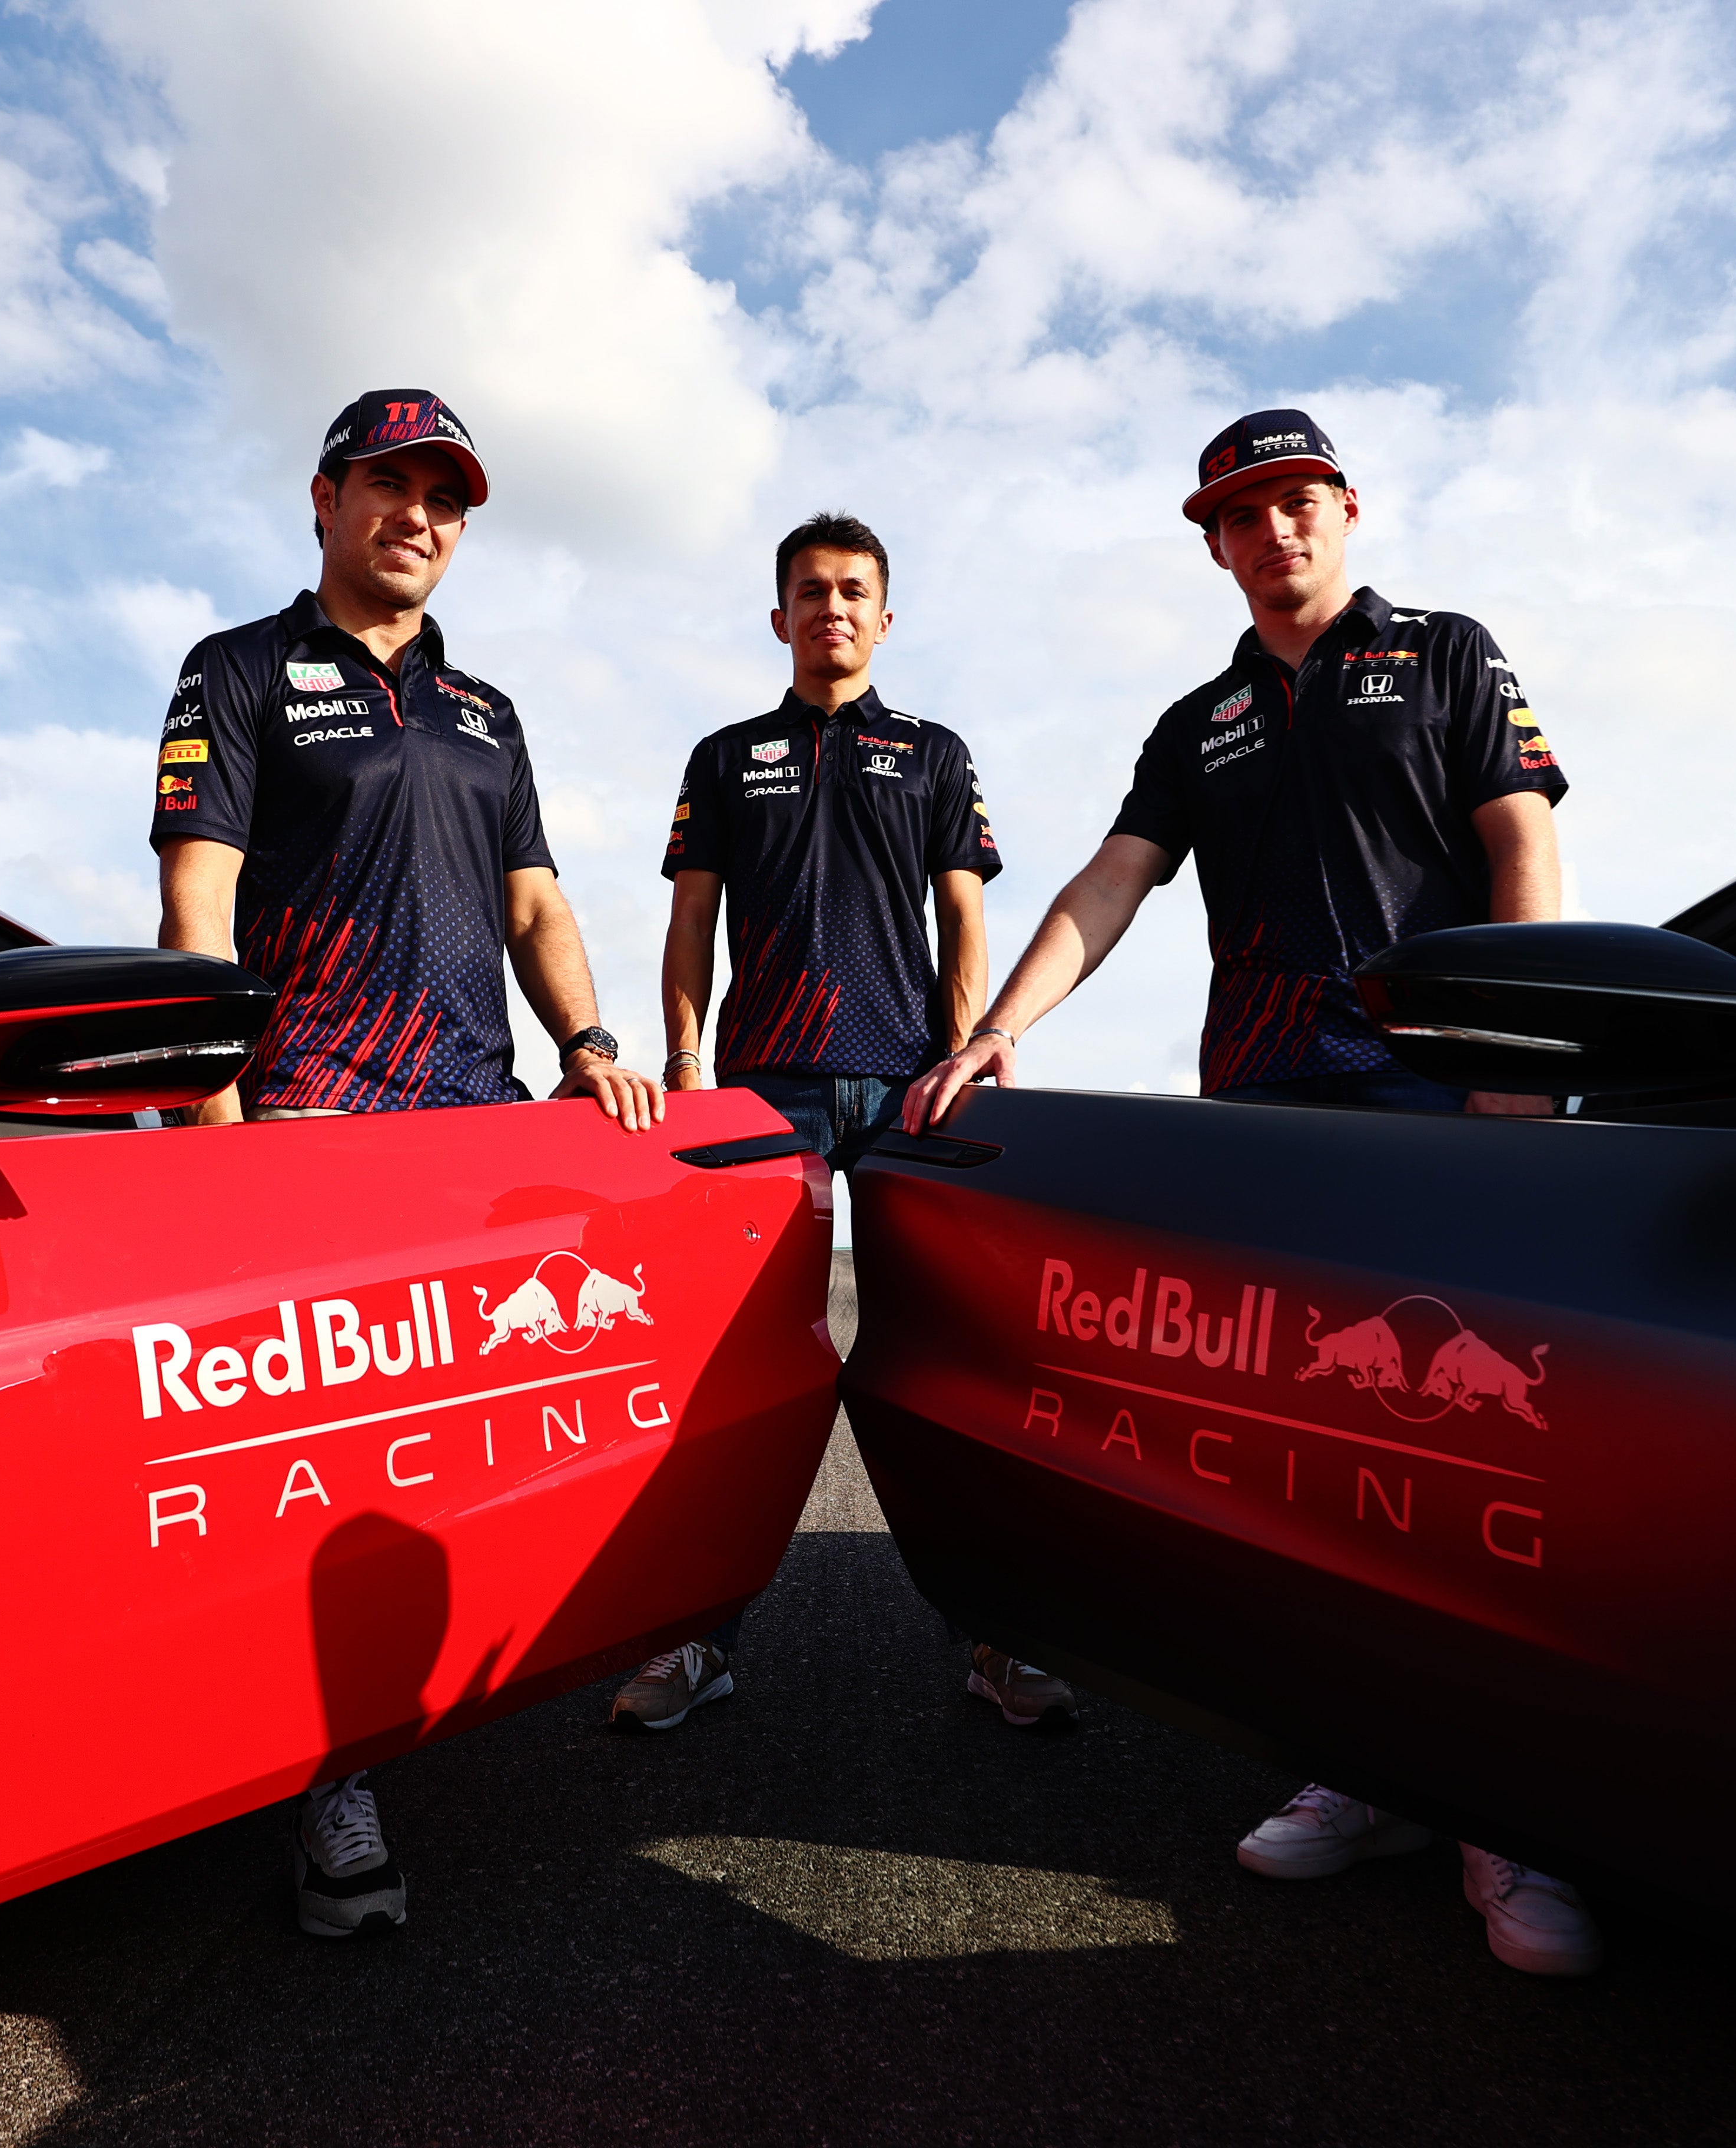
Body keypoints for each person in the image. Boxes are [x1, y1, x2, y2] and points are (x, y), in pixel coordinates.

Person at [895, 407, 1598, 1977]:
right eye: (1243, 513)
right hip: (1268, 1116)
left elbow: (1521, 841)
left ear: (1346, 511)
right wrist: (997, 1031)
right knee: (1329, 1472)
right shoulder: (1200, 718)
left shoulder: (1446, 654)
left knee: (1467, 1476)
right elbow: (1110, 881)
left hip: (1437, 1103)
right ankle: (1369, 1767)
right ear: (1212, 541)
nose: (1275, 532)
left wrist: (1516, 1047)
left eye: (1299, 502)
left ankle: (1509, 1810)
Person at [150, 386, 662, 1940]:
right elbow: (198, 908)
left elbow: (536, 908)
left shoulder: (487, 713)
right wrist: (215, 1131)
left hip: (476, 1122)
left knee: (463, 1444)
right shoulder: (236, 673)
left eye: (448, 496)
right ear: (325, 498)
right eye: (393, 483)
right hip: (308, 1124)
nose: (422, 516)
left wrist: (588, 1049)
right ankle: (329, 1784)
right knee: (324, 1475)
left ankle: (417, 1705)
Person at [604, 513, 1073, 1735]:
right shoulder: (725, 756)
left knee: (953, 1363)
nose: (834, 609)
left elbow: (964, 915)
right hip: (766, 1092)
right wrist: (688, 1064)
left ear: (885, 616)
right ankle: (701, 1638)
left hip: (911, 1084)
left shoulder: (933, 752)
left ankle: (997, 1639)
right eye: (812, 592)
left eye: (856, 591)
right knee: (739, 1371)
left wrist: (969, 1048)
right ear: (780, 617)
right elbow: (690, 927)